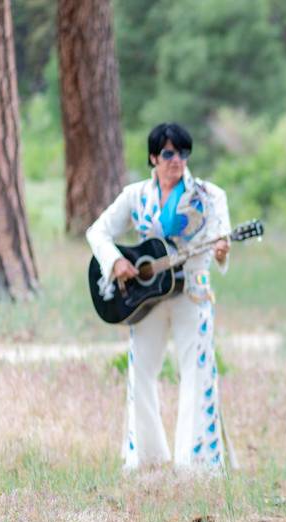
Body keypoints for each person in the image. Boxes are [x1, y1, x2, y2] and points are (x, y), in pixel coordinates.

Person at [86, 122, 236, 472]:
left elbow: (220, 238)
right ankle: (147, 457)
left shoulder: (208, 195)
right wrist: (117, 261)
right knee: (140, 369)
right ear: (154, 157)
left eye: (183, 153)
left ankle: (195, 463)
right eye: (169, 153)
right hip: (146, 294)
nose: (177, 160)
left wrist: (222, 251)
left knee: (197, 371)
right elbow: (98, 232)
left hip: (193, 292)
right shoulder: (136, 195)